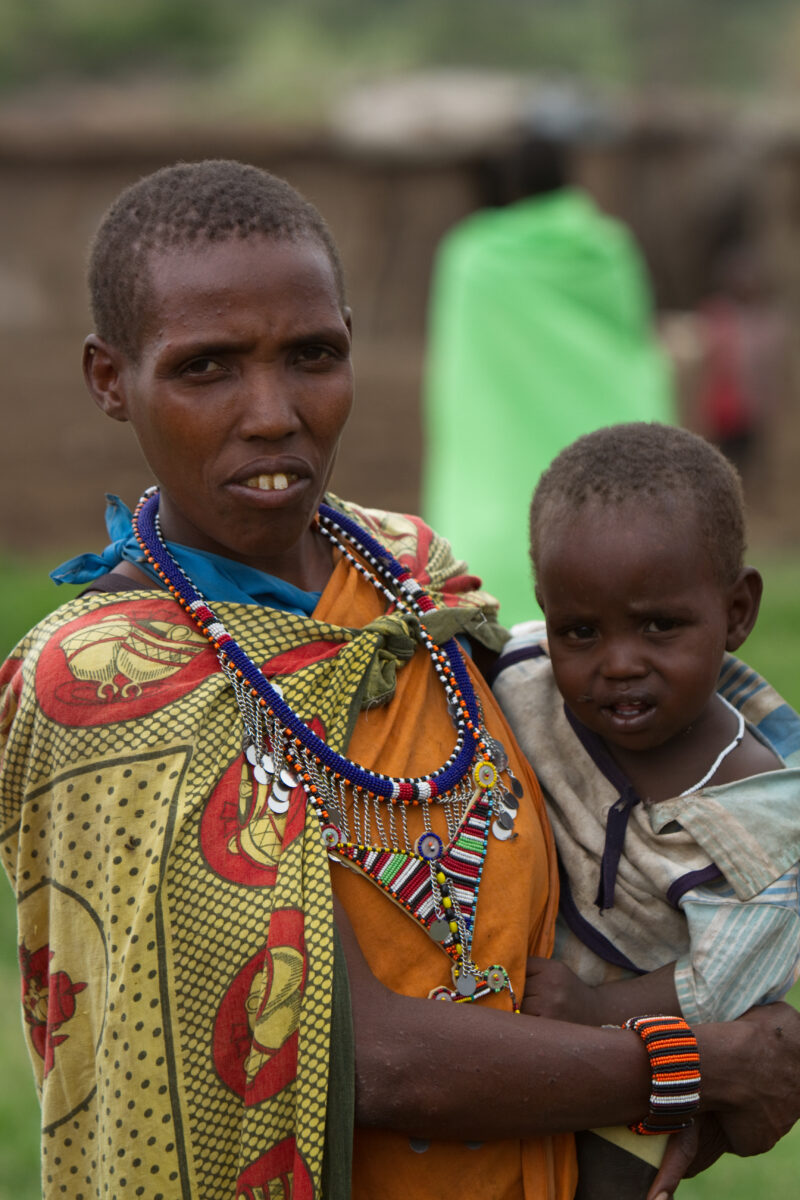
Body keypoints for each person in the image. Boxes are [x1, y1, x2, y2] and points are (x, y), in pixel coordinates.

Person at [1, 162, 800, 1200]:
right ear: (111, 379)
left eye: (311, 355)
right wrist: (698, 1065)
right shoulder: (108, 687)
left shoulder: (409, 577)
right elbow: (363, 1058)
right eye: (206, 369)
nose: (271, 412)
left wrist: (742, 957)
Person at [492, 421, 800, 1189]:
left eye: (660, 626)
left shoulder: (764, 832)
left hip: (642, 1046)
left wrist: (594, 1014)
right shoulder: (523, 675)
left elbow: (719, 986)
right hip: (493, 1011)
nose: (619, 663)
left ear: (736, 613)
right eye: (582, 631)